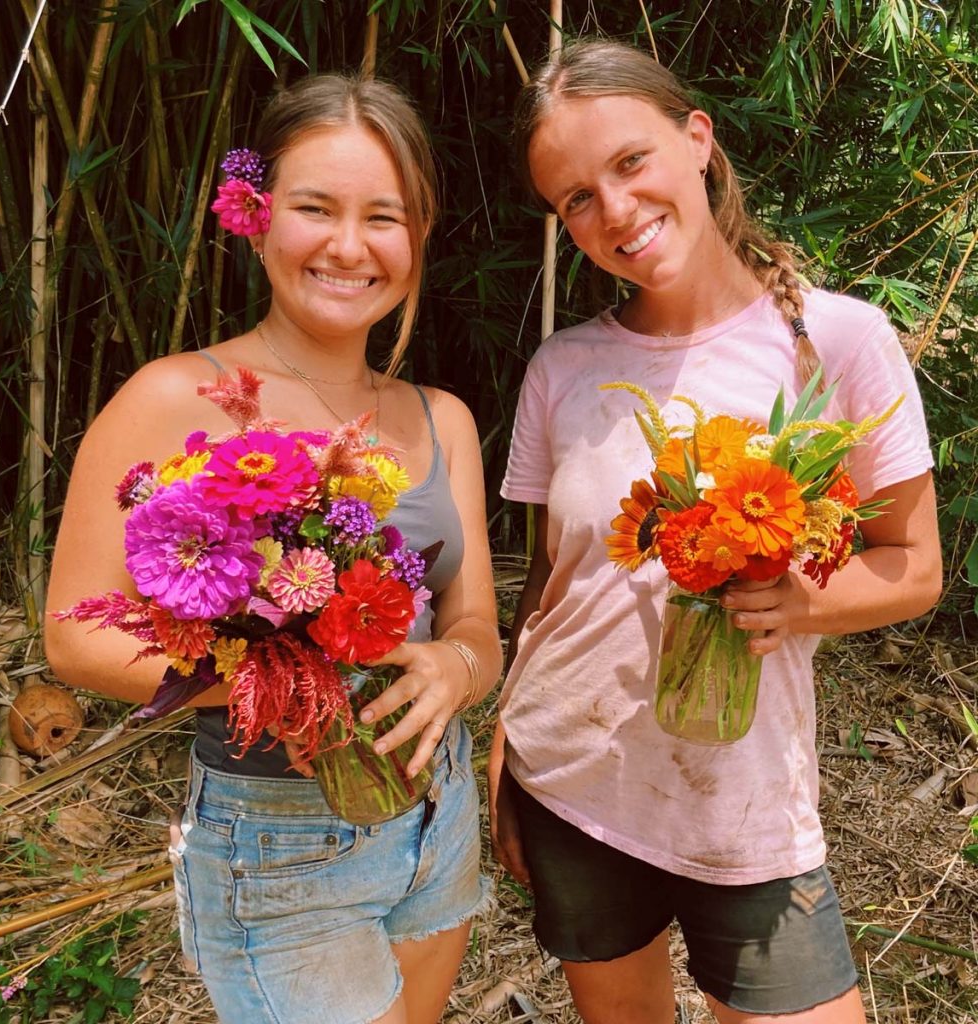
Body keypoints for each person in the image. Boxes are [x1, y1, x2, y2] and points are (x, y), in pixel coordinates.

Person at [490, 39, 941, 1024]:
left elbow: (914, 569)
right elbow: (548, 586)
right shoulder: (561, 370)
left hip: (744, 800)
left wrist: (803, 597)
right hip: (569, 784)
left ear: (697, 139)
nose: (611, 210)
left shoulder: (837, 343)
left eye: (628, 163)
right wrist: (500, 745)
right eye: (573, 198)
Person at [46, 73, 502, 1024]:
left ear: (417, 237)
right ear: (256, 221)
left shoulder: (442, 418)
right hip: (279, 841)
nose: (348, 245)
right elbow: (73, 640)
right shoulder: (171, 397)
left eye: (384, 216)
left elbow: (476, 627)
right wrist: (290, 683)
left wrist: (456, 670)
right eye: (314, 208)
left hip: (439, 810)